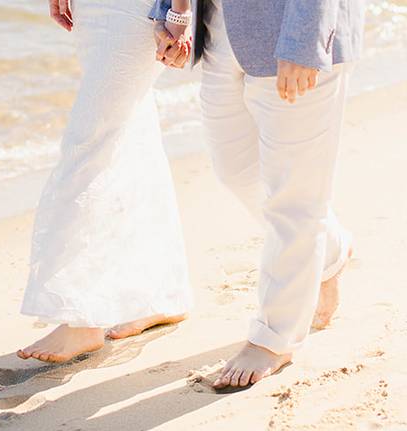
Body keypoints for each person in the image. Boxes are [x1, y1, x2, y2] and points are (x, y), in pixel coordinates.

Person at [151, 0, 366, 390]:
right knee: (235, 170)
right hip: (221, 28)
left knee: (294, 196)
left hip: (293, 28)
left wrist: (304, 42)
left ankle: (275, 336)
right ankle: (330, 249)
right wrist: (173, 11)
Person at [17, 0, 196, 363]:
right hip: (93, 12)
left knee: (87, 143)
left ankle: (81, 318)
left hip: (134, 12)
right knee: (131, 133)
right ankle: (163, 293)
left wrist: (180, 13)